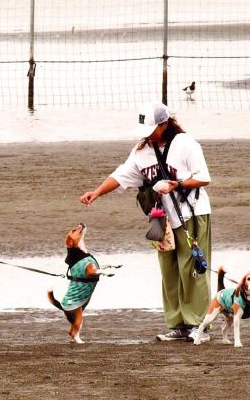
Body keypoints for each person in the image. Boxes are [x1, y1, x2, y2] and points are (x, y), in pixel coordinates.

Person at [80, 101, 212, 341]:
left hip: (192, 213)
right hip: (161, 221)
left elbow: (204, 178)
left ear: (164, 123)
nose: (148, 135)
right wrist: (97, 193)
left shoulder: (185, 144)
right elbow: (121, 175)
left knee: (190, 268)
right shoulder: (141, 151)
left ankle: (198, 326)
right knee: (169, 270)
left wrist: (177, 184)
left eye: (152, 129)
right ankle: (178, 325)